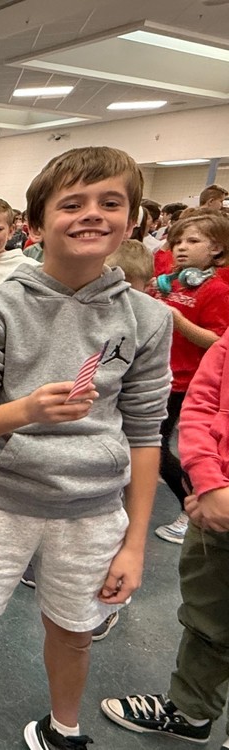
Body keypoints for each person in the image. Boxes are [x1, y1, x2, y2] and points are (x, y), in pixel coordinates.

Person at [0, 146, 173, 750]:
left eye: (111, 203)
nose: (92, 215)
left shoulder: (149, 320)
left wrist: (135, 545)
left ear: (132, 221)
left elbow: (146, 433)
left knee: (76, 627)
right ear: (36, 223)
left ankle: (64, 727)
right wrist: (26, 411)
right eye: (72, 203)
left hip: (92, 510)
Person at [100, 327, 229, 748]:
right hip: (216, 511)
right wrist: (209, 485)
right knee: (206, 618)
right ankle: (191, 709)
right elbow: (203, 404)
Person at [150, 212, 229, 544]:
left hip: (186, 383)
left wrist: (180, 322)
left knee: (154, 446)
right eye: (178, 241)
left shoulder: (217, 291)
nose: (181, 248)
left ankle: (195, 502)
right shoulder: (176, 283)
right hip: (159, 375)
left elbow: (218, 341)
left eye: (193, 241)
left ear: (218, 249)